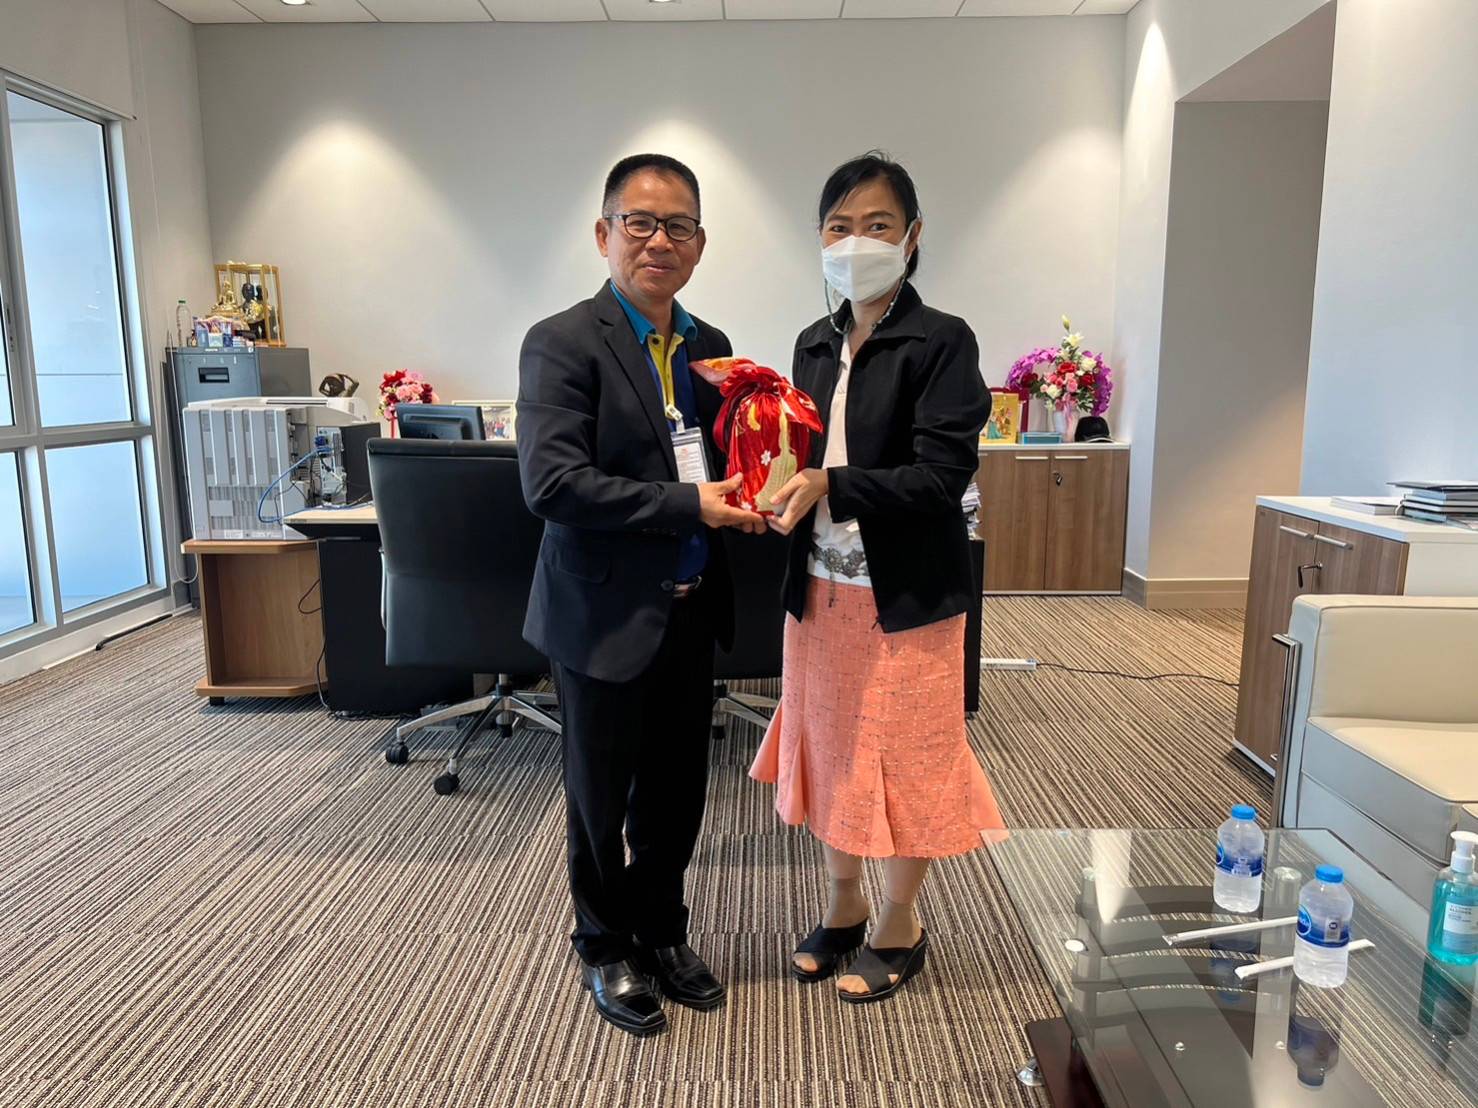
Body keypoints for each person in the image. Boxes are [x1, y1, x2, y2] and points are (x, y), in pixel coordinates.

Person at [750, 152, 1007, 1003]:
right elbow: (798, 454)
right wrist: (773, 488)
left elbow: (941, 477)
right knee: (830, 751)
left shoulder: (941, 340)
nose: (854, 242)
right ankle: (844, 904)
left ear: (913, 235)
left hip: (905, 596)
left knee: (907, 758)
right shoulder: (812, 342)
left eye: (876, 225)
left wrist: (831, 485)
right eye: (838, 227)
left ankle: (901, 920)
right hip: (818, 590)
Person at [517, 154, 763, 1037]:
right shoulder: (562, 341)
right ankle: (603, 944)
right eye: (641, 222)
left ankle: (661, 931)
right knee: (598, 796)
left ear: (700, 243)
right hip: (601, 612)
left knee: (676, 791)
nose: (660, 241)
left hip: (690, 606)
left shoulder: (710, 345)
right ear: (604, 233)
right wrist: (689, 504)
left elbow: (726, 458)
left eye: (679, 226)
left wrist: (764, 486)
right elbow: (553, 484)